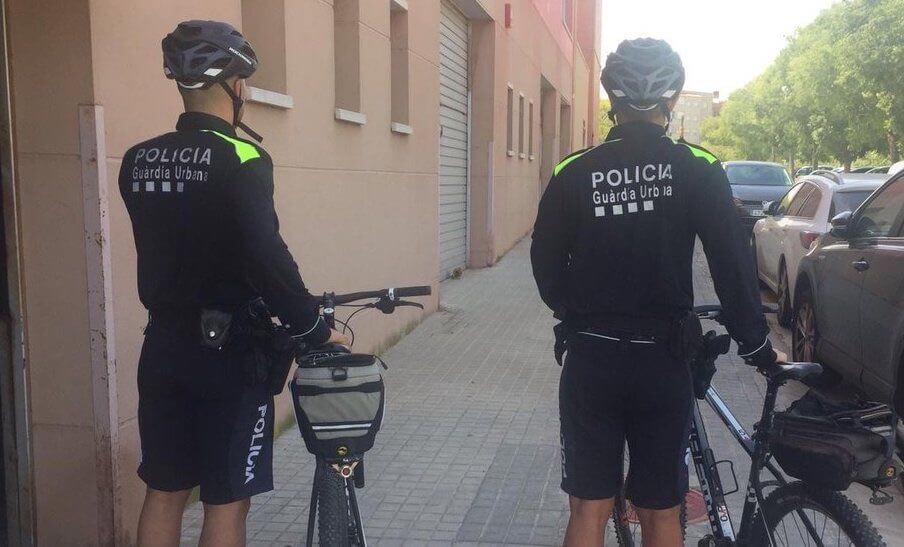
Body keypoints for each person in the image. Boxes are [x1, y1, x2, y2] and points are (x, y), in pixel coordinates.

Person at [530, 38, 787, 547]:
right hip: (663, 362)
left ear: (612, 99)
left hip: (593, 360)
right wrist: (756, 345)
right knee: (662, 510)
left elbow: (545, 264)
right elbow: (731, 265)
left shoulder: (574, 170)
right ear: (670, 101)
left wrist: (578, 312)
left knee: (588, 508)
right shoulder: (698, 167)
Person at [119, 20, 349, 547]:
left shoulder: (137, 160)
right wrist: (313, 327)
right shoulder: (244, 158)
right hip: (231, 356)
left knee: (164, 492)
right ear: (235, 87)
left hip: (164, 347)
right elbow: (267, 258)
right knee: (226, 501)